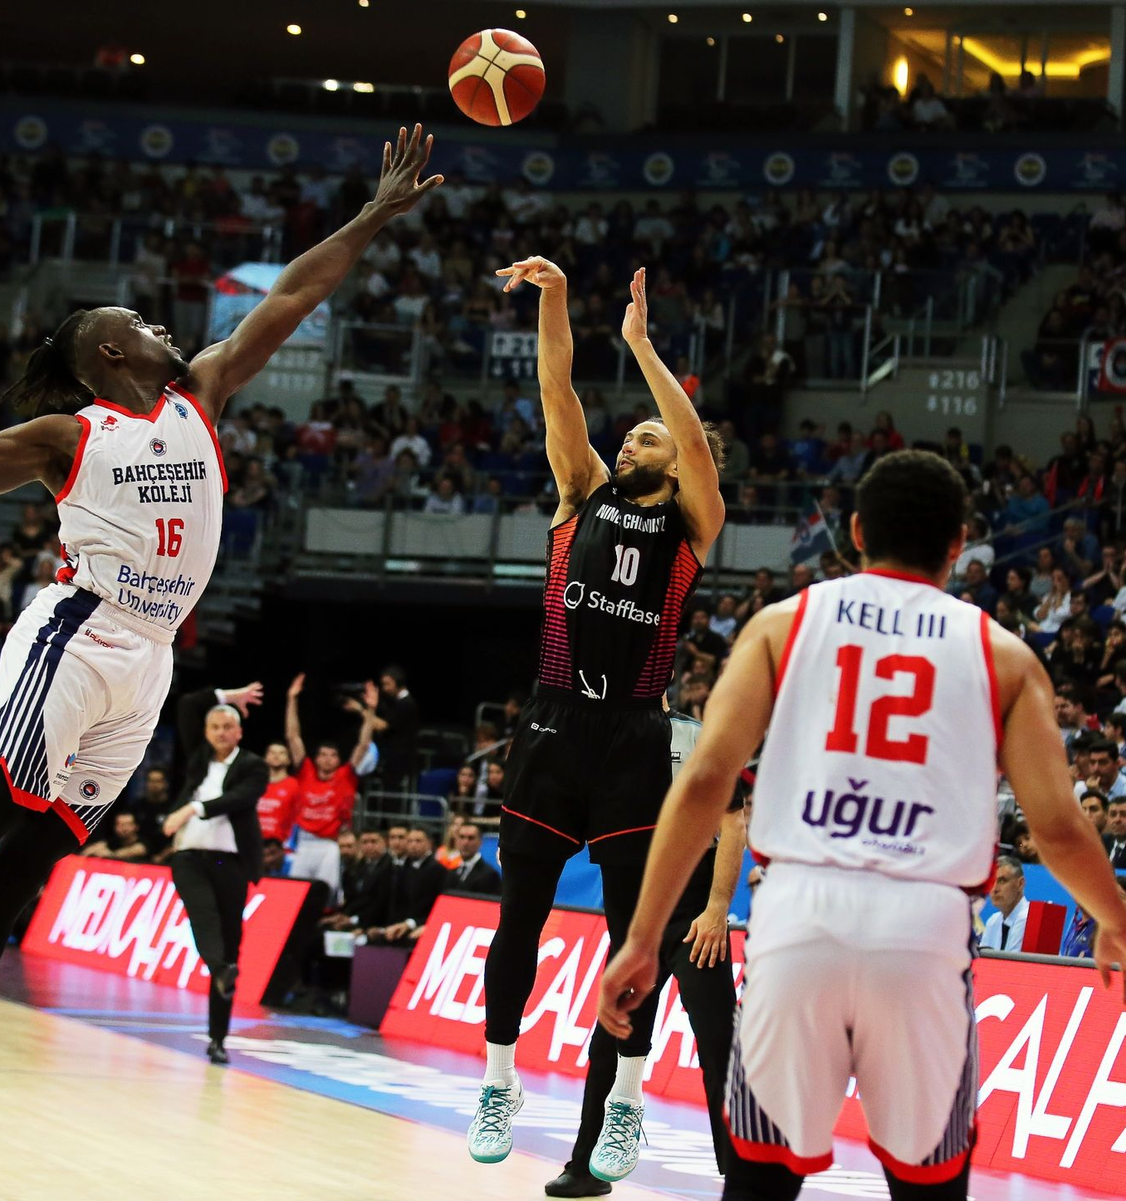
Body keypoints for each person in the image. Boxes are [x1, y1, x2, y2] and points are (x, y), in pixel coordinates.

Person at [0, 122, 443, 1124]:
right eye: (146, 322)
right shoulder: (67, 434)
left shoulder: (200, 393)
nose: (169, 328)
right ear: (111, 349)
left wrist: (373, 216)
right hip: (79, 633)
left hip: (152, 660)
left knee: (34, 857)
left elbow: (292, 295)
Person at [598, 449, 1126, 1201]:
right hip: (924, 928)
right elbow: (1061, 828)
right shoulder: (1004, 655)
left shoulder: (783, 624)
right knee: (928, 1184)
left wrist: (644, 938)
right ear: (959, 542)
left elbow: (706, 781)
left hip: (798, 921)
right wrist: (1114, 916)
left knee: (759, 1180)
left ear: (853, 531)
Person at [467, 258, 726, 1167]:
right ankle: (499, 1079)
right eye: (633, 437)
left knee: (632, 934)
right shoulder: (579, 496)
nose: (633, 444)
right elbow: (555, 389)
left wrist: (645, 346)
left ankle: (626, 1096)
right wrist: (558, 299)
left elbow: (696, 448)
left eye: (648, 439)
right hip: (551, 726)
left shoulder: (693, 524)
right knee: (518, 920)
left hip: (634, 738)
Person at [545, 698, 745, 1196]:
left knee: (719, 1041)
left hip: (695, 917)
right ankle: (586, 1167)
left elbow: (733, 823)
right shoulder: (600, 739)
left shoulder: (699, 735)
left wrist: (718, 906)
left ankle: (743, 1177)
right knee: (608, 1040)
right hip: (632, 917)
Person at [163, 687, 266, 1066]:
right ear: (206, 732)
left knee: (229, 945)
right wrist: (228, 694)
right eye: (215, 727)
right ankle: (220, 968)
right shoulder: (199, 759)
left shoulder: (253, 765)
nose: (221, 732)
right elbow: (189, 702)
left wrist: (192, 809)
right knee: (202, 915)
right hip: (189, 856)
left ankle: (218, 1038)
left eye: (228, 726)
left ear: (239, 732)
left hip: (231, 864)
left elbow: (236, 799)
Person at [284, 673, 378, 902]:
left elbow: (363, 743)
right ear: (316, 759)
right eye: (323, 755)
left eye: (332, 755)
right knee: (294, 898)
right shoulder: (305, 772)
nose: (327, 759)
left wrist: (371, 710)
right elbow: (293, 736)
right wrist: (291, 699)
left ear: (338, 760)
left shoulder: (346, 775)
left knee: (326, 899)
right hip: (303, 845)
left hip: (329, 846)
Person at [979, 856, 1029, 953]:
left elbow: (1014, 965)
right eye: (992, 881)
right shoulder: (993, 921)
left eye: (1002, 881)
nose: (994, 889)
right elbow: (982, 962)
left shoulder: (1029, 920)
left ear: (1020, 884)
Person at [256, 741, 300, 845]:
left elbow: (298, 818)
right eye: (272, 752)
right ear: (265, 758)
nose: (276, 756)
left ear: (289, 760)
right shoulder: (255, 783)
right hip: (253, 843)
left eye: (282, 753)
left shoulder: (294, 785)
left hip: (280, 846)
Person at [443, 823, 501, 896]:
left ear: (480, 842)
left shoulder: (490, 875)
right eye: (462, 837)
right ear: (456, 841)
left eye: (471, 838)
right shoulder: (451, 872)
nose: (465, 843)